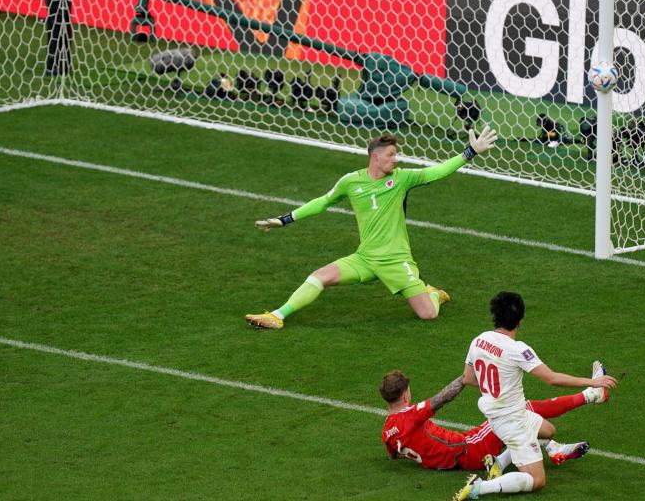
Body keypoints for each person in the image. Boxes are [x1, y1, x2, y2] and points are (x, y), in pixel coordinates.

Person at [245, 127, 498, 329]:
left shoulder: (401, 178)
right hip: (365, 258)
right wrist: (285, 219)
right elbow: (322, 202)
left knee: (428, 315)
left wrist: (470, 152)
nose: (395, 159)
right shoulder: (351, 182)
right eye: (390, 155)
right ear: (375, 157)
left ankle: (433, 294)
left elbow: (437, 172)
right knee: (319, 276)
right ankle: (277, 316)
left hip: (397, 260)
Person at [454, 292, 618, 499]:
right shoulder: (517, 349)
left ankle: (499, 462)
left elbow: (468, 378)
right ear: (521, 320)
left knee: (547, 430)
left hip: (500, 416)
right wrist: (592, 381)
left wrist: (494, 385)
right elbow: (551, 379)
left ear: (495, 315)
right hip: (513, 421)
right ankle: (480, 488)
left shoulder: (478, 340)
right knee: (537, 480)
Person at [379, 366, 609, 474]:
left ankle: (553, 448)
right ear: (405, 395)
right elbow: (440, 399)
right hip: (469, 449)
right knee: (521, 409)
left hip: (454, 457)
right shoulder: (410, 415)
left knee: (515, 421)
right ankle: (591, 394)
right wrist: (464, 378)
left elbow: (392, 454)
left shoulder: (388, 430)